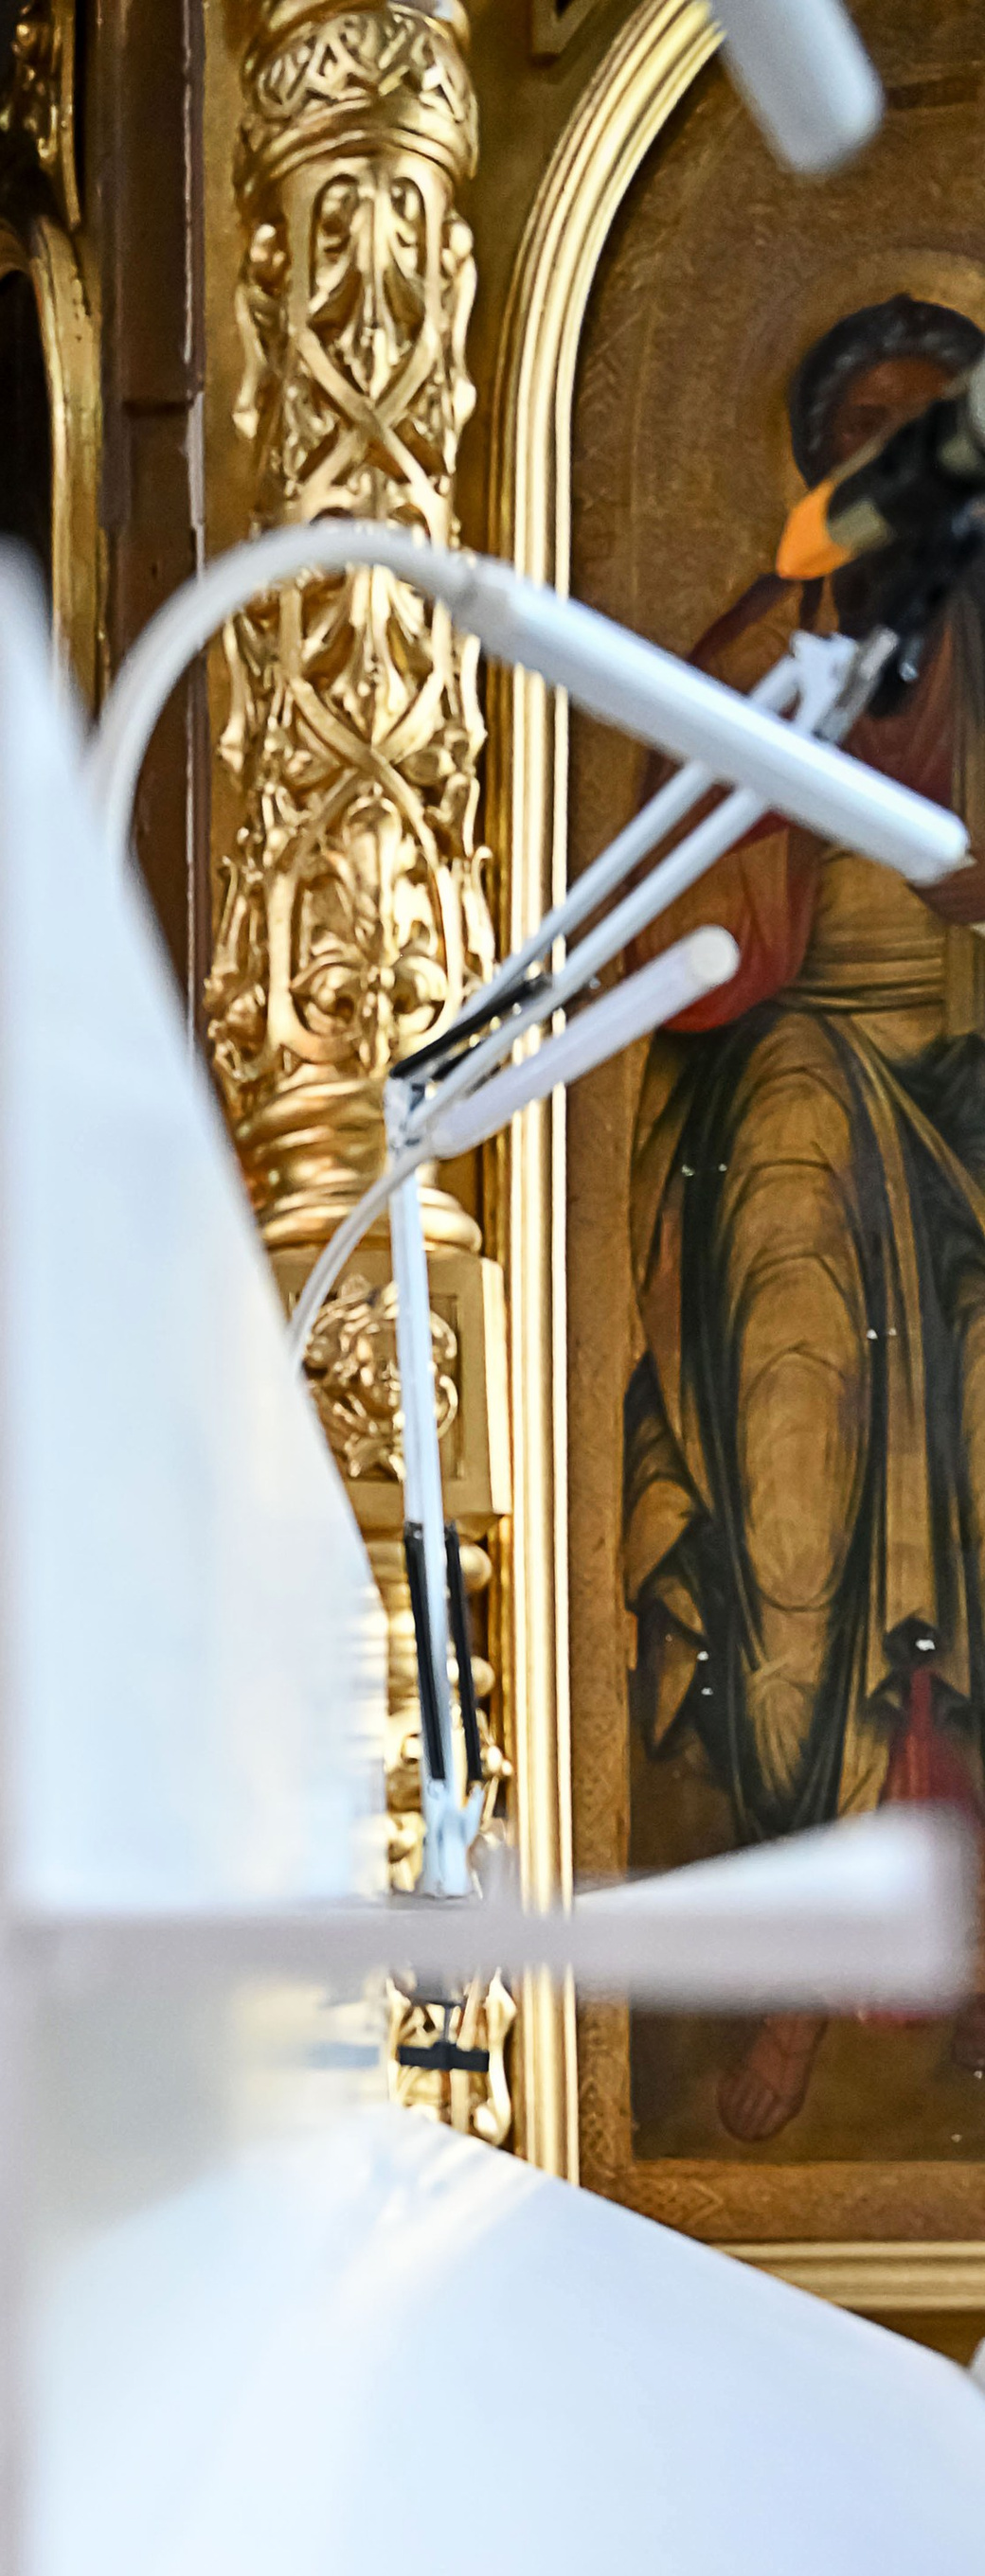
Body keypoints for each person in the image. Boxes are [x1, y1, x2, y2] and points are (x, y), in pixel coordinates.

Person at [625, 293, 985, 2141]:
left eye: (931, 442)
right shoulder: (781, 649)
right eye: (865, 449)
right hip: (803, 1062)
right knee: (779, 1285)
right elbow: (662, 902)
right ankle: (802, 1876)